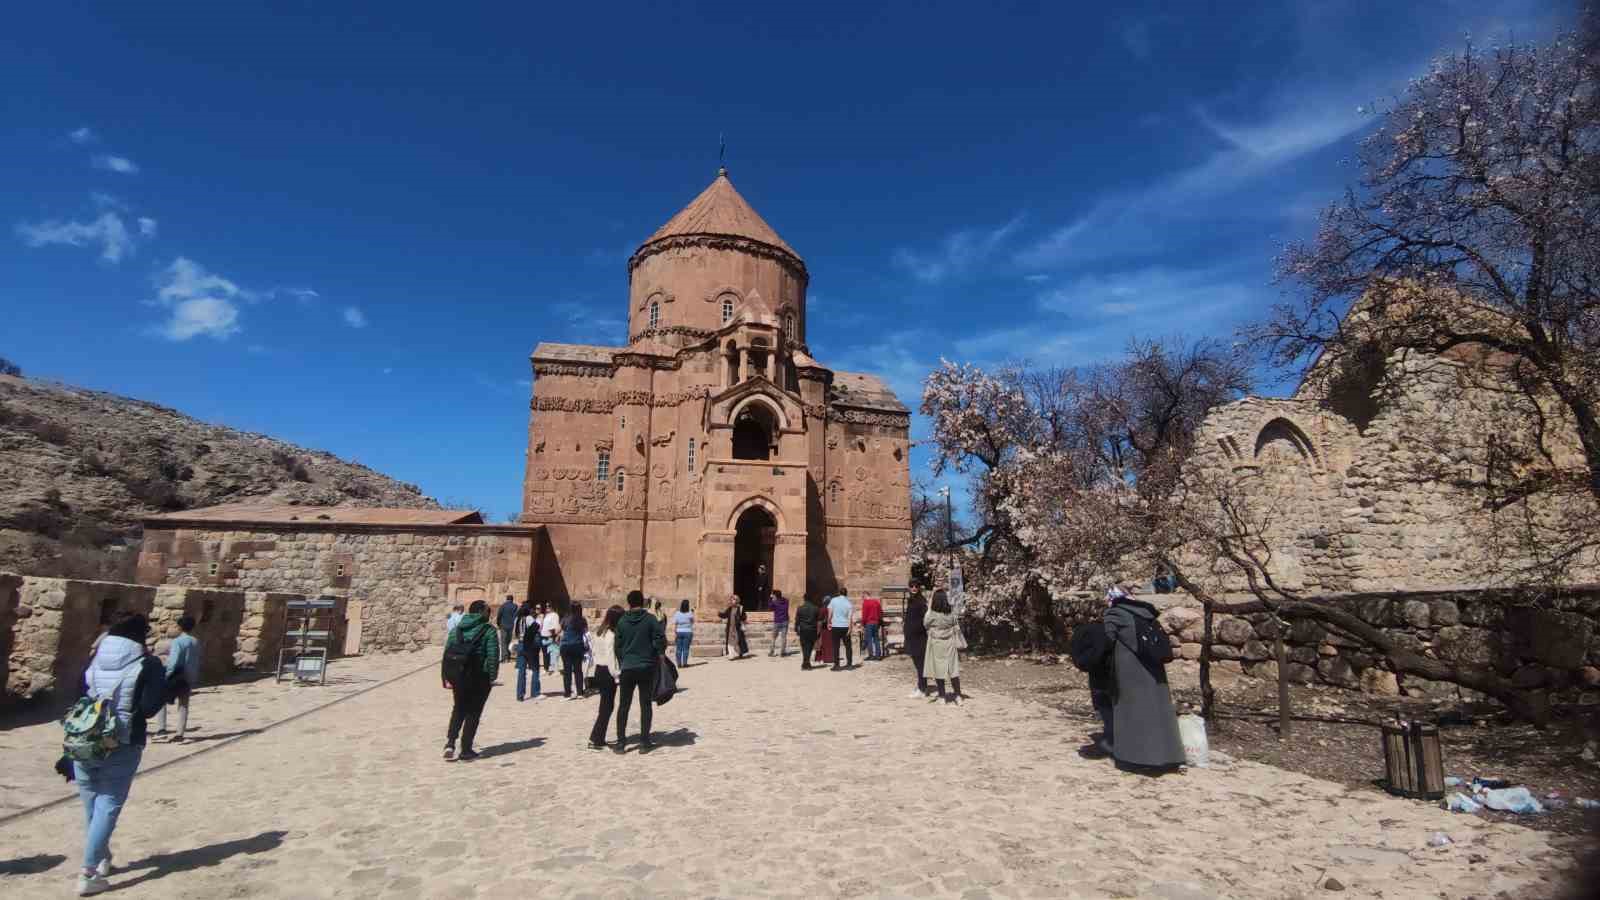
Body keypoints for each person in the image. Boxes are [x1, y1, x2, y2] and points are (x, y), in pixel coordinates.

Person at [72, 612, 162, 896]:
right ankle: (88, 873)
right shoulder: (148, 663)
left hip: (85, 739)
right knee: (108, 805)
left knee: (92, 804)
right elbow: (149, 708)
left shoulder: (95, 659)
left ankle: (102, 858)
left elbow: (79, 693)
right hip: (123, 741)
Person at [1103, 586, 1185, 771]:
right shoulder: (1146, 613)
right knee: (1159, 709)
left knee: (1131, 710)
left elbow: (1108, 639)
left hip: (1128, 668)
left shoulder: (1114, 614)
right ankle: (1169, 755)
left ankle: (1135, 757)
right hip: (1154, 667)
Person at [442, 599, 499, 761]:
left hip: (458, 676)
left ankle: (450, 743)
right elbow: (493, 656)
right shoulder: (488, 630)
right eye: (488, 611)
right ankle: (466, 749)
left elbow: (446, 655)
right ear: (481, 612)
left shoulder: (456, 630)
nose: (489, 614)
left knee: (458, 708)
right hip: (479, 676)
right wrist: (492, 677)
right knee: (473, 712)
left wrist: (446, 677)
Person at [614, 590, 666, 752]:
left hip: (628, 667)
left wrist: (624, 660)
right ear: (642, 602)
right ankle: (644, 742)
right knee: (645, 705)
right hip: (646, 667)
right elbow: (660, 639)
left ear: (629, 603)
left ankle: (621, 742)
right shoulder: (650, 620)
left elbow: (617, 646)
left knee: (623, 705)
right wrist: (654, 653)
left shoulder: (622, 621)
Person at [154, 614, 201, 742]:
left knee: (161, 700)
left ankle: (161, 730)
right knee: (184, 705)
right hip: (188, 676)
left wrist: (167, 674)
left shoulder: (177, 642)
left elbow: (173, 661)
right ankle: (180, 733)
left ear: (180, 627)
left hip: (176, 675)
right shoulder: (195, 641)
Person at [588, 605, 623, 750]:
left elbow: (594, 653)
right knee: (607, 707)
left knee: (605, 706)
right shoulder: (611, 635)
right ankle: (595, 738)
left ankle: (598, 738)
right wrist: (616, 675)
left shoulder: (599, 632)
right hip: (608, 672)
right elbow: (611, 657)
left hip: (599, 669)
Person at [924, 590, 962, 705]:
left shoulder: (932, 614)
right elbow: (955, 624)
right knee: (953, 669)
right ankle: (958, 694)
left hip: (937, 643)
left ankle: (942, 695)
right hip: (950, 642)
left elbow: (925, 624)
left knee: (939, 670)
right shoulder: (951, 613)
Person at [902, 584, 930, 698]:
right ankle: (921, 686)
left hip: (919, 637)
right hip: (911, 636)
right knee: (917, 662)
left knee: (920, 663)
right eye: (911, 586)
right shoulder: (911, 600)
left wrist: (916, 628)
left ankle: (922, 688)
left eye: (916, 586)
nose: (913, 588)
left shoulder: (921, 601)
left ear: (919, 588)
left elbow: (925, 619)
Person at [513, 600, 543, 701]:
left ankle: (520, 694)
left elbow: (515, 633)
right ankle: (535, 692)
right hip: (529, 645)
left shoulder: (517, 619)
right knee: (535, 668)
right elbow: (536, 627)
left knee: (521, 670)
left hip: (520, 644)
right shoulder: (529, 618)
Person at [559, 602, 588, 699]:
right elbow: (585, 631)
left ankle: (567, 693)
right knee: (578, 670)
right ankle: (580, 692)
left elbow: (560, 629)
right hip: (578, 645)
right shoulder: (582, 620)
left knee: (567, 671)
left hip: (566, 646)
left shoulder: (566, 619)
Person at [827, 585, 854, 671]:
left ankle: (836, 665)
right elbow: (850, 618)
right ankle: (849, 664)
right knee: (848, 646)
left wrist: (829, 622)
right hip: (845, 626)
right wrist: (850, 628)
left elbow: (830, 612)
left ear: (839, 593)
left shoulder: (834, 600)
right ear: (846, 594)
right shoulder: (849, 603)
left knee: (836, 646)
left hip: (835, 626)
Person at [795, 593, 822, 669]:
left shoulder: (800, 608)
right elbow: (819, 621)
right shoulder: (816, 608)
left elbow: (797, 620)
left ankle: (805, 663)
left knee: (804, 647)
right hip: (812, 630)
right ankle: (806, 663)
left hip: (803, 630)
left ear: (804, 598)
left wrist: (796, 628)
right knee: (809, 647)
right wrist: (818, 631)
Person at [718, 594, 748, 659]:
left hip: (737, 628)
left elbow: (744, 617)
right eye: (731, 599)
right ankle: (731, 655)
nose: (732, 600)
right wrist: (719, 614)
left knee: (738, 641)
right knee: (730, 641)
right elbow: (725, 615)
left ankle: (740, 652)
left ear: (737, 600)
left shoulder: (741, 608)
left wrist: (743, 621)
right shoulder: (730, 608)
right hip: (730, 628)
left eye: (734, 599)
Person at [767, 589, 790, 657]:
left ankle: (771, 651)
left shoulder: (774, 602)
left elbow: (770, 608)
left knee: (773, 638)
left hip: (777, 621)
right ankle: (782, 652)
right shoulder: (786, 601)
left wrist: (770, 599)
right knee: (783, 637)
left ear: (775, 595)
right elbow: (785, 600)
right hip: (785, 620)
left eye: (773, 594)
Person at [496, 595, 520, 661]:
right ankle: (508, 655)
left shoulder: (503, 606)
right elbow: (516, 615)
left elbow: (499, 615)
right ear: (512, 599)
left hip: (503, 625)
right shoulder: (515, 606)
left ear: (506, 599)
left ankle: (504, 657)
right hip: (511, 625)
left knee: (503, 641)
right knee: (508, 641)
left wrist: (498, 623)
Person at [860, 594, 884, 660]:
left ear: (864, 596)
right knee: (876, 639)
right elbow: (880, 612)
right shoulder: (876, 602)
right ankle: (878, 655)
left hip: (869, 623)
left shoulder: (865, 603)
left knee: (869, 639)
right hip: (876, 623)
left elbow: (864, 615)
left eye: (863, 598)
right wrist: (879, 622)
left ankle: (871, 655)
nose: (863, 599)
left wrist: (862, 624)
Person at [672, 600, 694, 666]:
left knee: (678, 648)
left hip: (679, 631)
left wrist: (675, 632)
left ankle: (679, 664)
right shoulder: (690, 613)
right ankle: (684, 663)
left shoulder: (677, 613)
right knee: (686, 648)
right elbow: (692, 622)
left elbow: (675, 623)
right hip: (688, 631)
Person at [540, 603, 561, 674]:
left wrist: (555, 636)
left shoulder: (555, 615)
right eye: (546, 606)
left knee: (553, 653)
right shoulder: (546, 615)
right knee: (545, 653)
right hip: (543, 636)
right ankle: (546, 668)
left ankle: (556, 670)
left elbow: (556, 626)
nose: (547, 607)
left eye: (549, 606)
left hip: (550, 636)